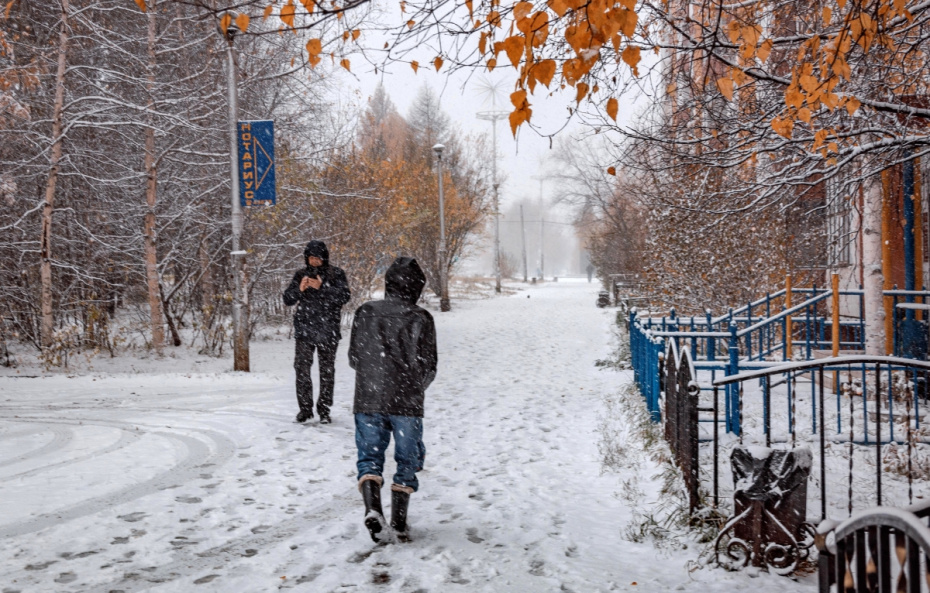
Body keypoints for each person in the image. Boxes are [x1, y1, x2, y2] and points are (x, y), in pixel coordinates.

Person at [349, 257, 437, 543]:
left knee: (369, 458)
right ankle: (399, 522)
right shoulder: (421, 318)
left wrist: (373, 378)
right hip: (406, 402)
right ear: (416, 287)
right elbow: (429, 365)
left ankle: (373, 508)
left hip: (368, 398)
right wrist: (412, 387)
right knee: (407, 459)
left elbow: (354, 357)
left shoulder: (365, 312)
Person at [282, 240, 351, 424]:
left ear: (324, 258)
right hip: (305, 330)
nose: (314, 261)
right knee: (302, 370)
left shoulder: (336, 274)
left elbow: (344, 296)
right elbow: (287, 299)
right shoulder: (300, 275)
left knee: (326, 371)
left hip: (328, 330)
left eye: (317, 258)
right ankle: (305, 409)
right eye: (311, 258)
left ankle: (324, 409)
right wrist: (300, 289)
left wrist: (323, 288)